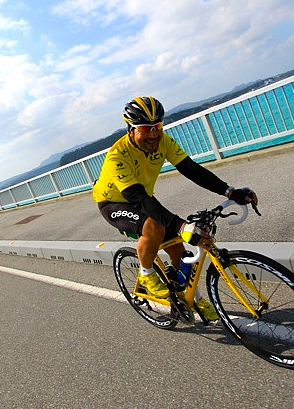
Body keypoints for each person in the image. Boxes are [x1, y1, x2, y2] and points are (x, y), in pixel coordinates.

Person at [93, 96, 258, 321]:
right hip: (114, 202)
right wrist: (181, 225)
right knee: (154, 227)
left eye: (157, 126)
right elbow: (138, 198)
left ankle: (193, 299)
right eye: (144, 128)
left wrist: (230, 192)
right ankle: (147, 273)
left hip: (143, 198)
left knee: (179, 250)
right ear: (131, 130)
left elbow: (191, 170)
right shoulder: (117, 157)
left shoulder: (164, 142)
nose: (153, 134)